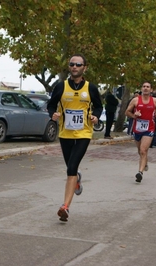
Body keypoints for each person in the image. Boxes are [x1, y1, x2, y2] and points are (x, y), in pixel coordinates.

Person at [47, 54, 103, 222]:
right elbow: (51, 104)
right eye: (72, 64)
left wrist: (96, 117)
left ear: (84, 67)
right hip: (65, 133)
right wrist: (53, 114)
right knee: (70, 167)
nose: (74, 67)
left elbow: (99, 106)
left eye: (78, 64)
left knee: (71, 167)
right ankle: (76, 179)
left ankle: (65, 207)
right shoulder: (61, 86)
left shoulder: (90, 88)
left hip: (84, 133)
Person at [126, 81, 156, 183]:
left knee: (143, 150)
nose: (145, 88)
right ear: (141, 89)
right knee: (139, 151)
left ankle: (140, 173)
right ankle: (145, 163)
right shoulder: (135, 100)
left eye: (148, 87)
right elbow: (127, 112)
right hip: (137, 129)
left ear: (151, 90)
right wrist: (134, 115)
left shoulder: (154, 101)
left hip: (149, 128)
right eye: (144, 86)